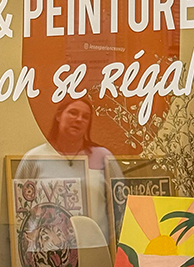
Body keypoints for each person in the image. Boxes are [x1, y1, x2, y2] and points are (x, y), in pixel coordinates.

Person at [18, 97, 121, 243]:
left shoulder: (103, 157)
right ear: (59, 116)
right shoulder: (34, 158)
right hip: (49, 252)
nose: (79, 119)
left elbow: (120, 207)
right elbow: (20, 210)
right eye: (73, 113)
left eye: (85, 117)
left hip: (96, 250)